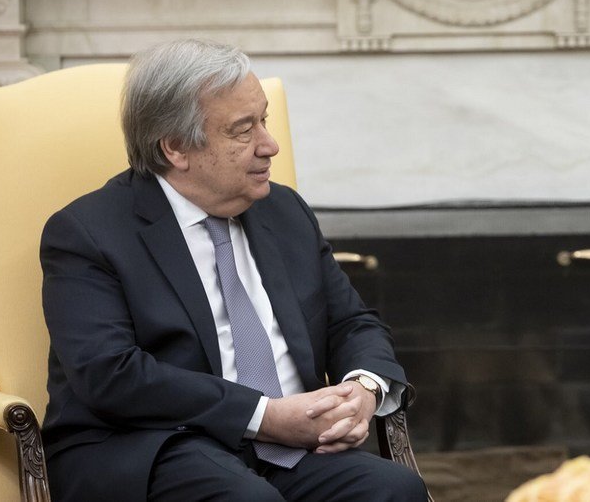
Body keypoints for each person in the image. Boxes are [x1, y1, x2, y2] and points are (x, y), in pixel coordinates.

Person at [40, 39, 428, 501]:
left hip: (291, 451)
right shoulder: (87, 233)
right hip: (153, 445)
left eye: (263, 119)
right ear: (177, 148)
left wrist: (362, 388)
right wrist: (264, 416)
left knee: (393, 489)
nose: (271, 145)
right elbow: (111, 373)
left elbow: (352, 323)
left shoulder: (284, 211)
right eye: (244, 130)